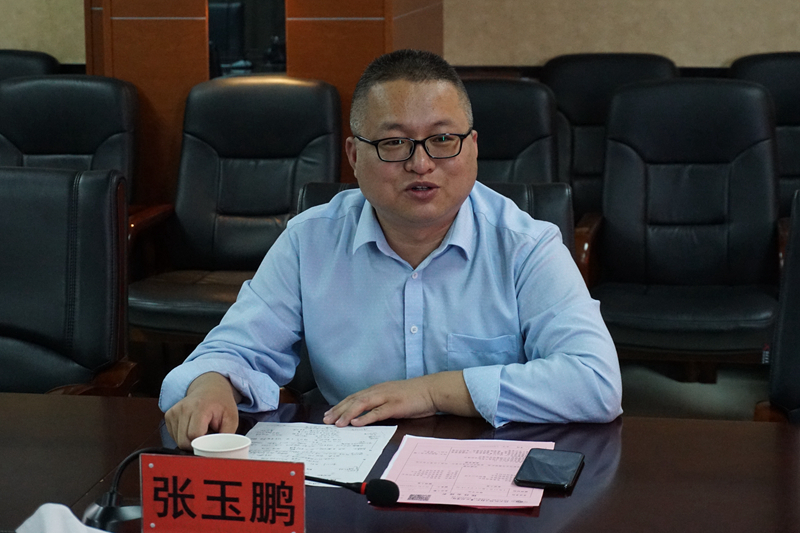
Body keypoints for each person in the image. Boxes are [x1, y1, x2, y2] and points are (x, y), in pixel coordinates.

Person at [161, 49, 622, 449]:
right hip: (352, 472)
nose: (421, 163)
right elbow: (233, 349)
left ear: (473, 148)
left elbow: (595, 382)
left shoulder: (526, 246)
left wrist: (433, 392)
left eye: (442, 139)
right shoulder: (310, 241)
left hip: (489, 468)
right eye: (394, 142)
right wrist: (211, 384)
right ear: (353, 155)